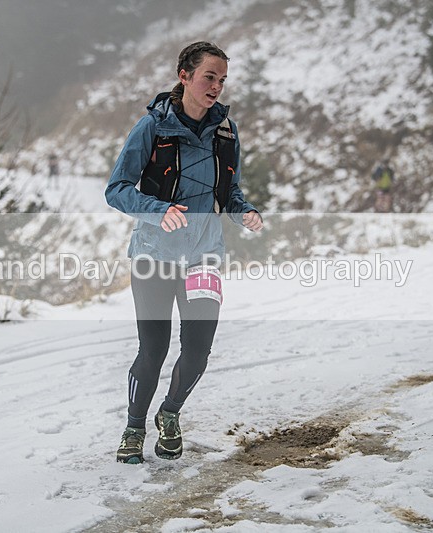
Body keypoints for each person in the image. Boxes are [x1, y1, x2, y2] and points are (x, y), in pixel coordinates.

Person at [105, 41, 263, 464]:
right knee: (153, 349)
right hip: (154, 254)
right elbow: (116, 191)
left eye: (222, 79)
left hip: (204, 256)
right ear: (185, 76)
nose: (217, 86)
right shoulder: (152, 128)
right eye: (209, 76)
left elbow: (229, 192)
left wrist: (244, 212)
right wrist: (158, 211)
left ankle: (169, 414)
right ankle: (134, 427)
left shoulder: (227, 133)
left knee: (198, 350)